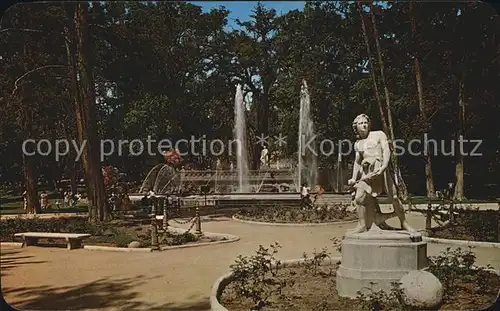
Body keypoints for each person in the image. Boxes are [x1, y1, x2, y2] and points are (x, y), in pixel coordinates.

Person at [348, 114, 416, 235]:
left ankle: (404, 223)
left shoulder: (378, 134)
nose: (364, 125)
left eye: (365, 122)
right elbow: (357, 162)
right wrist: (353, 177)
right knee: (359, 198)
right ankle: (362, 225)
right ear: (356, 127)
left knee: (394, 198)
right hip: (367, 172)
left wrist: (384, 166)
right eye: (361, 123)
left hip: (381, 169)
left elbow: (386, 151)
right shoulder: (358, 144)